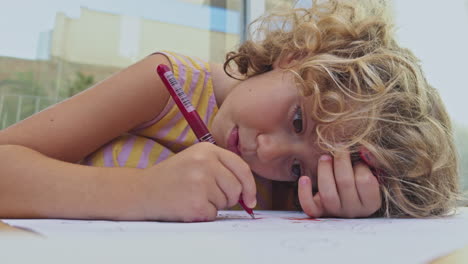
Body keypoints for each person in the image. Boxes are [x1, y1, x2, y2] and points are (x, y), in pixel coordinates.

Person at [0, 0, 459, 222]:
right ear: (298, 57)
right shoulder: (168, 84)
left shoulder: (288, 188)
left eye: (300, 165)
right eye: (299, 119)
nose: (266, 149)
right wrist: (142, 192)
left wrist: (345, 211)